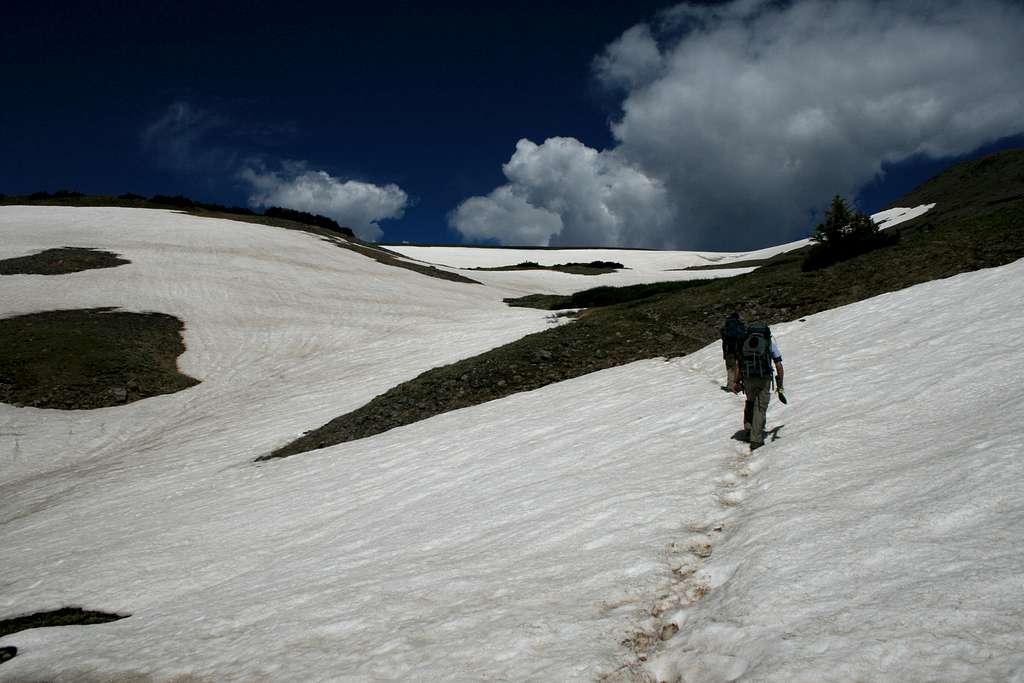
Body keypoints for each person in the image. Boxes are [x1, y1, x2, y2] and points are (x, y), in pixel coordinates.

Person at [732, 323, 784, 451]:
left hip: (748, 378)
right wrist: (780, 384)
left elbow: (739, 364)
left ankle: (749, 428)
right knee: (760, 407)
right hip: (764, 378)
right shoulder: (768, 343)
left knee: (750, 401)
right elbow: (778, 364)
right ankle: (756, 440)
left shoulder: (745, 343)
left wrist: (736, 381)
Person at [719, 312, 746, 391]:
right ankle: (739, 385)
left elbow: (724, 341)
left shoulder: (727, 326)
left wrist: (724, 352)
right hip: (740, 350)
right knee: (739, 366)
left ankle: (731, 386)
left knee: (731, 368)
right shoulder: (740, 325)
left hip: (730, 350)